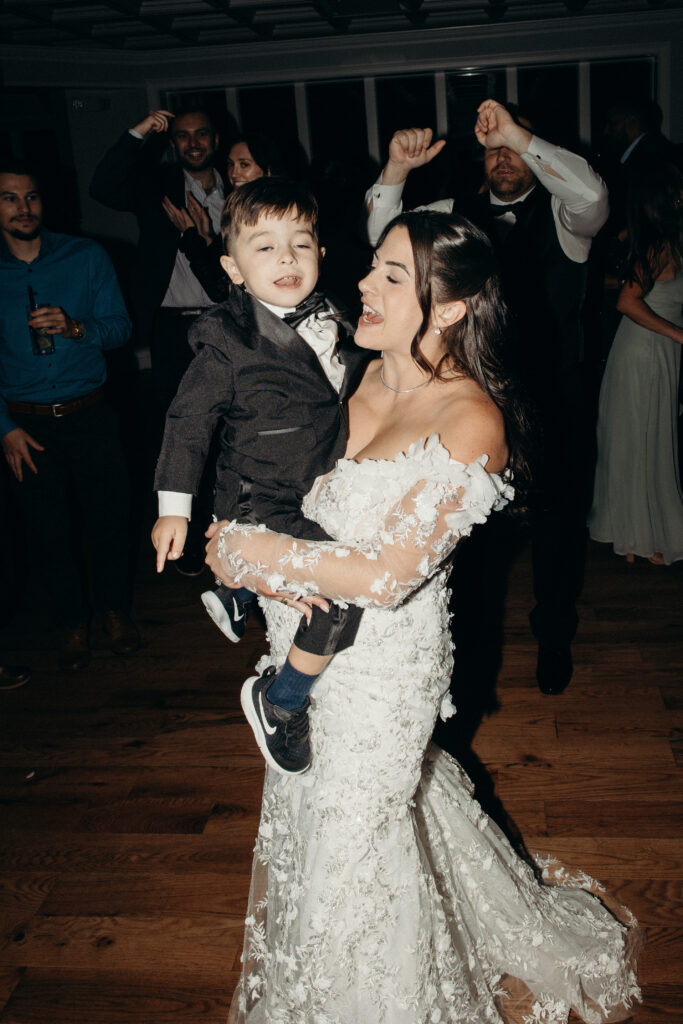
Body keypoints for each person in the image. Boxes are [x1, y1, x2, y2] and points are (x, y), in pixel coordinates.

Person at [206, 210, 641, 1023]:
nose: (363, 285)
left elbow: (384, 574)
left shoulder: (470, 423)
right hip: (297, 647)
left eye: (390, 276)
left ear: (447, 308)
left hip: (381, 670)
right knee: (321, 811)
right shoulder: (346, 372)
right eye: (370, 266)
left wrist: (241, 552)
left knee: (351, 841)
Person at [365, 99, 609, 695]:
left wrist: (518, 135)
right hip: (464, 401)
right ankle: (465, 656)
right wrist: (395, 170)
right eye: (493, 146)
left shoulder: (565, 217)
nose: (503, 156)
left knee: (555, 529)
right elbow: (384, 237)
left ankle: (553, 637)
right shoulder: (452, 212)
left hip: (552, 401)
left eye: (515, 148)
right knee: (468, 536)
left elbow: (593, 197)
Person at [152, 177, 368, 774]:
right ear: (234, 268)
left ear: (322, 254)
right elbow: (188, 421)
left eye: (300, 243)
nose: (286, 259)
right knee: (338, 594)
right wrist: (175, 508)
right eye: (265, 246)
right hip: (258, 495)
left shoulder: (345, 320)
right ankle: (281, 700)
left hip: (323, 486)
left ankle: (235, 591)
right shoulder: (226, 337)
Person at [0, 164, 138, 671]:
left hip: (90, 412)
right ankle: (70, 624)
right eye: (10, 199)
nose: (23, 208)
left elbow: (122, 327)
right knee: (48, 529)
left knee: (109, 519)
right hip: (25, 424)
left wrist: (77, 327)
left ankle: (114, 612)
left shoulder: (85, 256)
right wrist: (5, 429)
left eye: (31, 197)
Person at [90, 106, 225, 574]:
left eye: (201, 134)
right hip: (172, 328)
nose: (192, 143)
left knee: (229, 433)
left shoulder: (241, 188)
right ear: (173, 144)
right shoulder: (157, 187)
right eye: (183, 136)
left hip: (227, 321)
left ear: (215, 139)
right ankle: (183, 541)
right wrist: (140, 131)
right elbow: (103, 187)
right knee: (181, 434)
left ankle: (224, 541)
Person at [589, 164, 683, 565]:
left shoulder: (668, 242)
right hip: (645, 353)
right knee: (641, 441)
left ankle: (634, 536)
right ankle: (642, 539)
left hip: (656, 351)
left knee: (646, 441)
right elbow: (626, 302)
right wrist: (680, 336)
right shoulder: (660, 244)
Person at [162, 132, 285, 305]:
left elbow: (222, 291)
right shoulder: (244, 215)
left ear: (268, 170)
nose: (234, 173)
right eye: (230, 164)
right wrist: (205, 236)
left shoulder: (274, 216)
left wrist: (190, 236)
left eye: (244, 165)